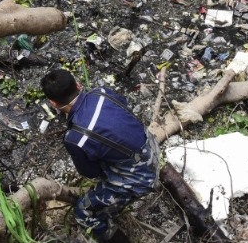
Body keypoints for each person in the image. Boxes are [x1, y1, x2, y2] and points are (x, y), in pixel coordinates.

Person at [41, 69, 160, 243]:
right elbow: (124, 108)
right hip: (152, 147)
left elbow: (90, 172)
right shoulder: (101, 92)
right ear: (78, 85)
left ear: (53, 103)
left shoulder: (75, 138)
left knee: (84, 212)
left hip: (142, 178)